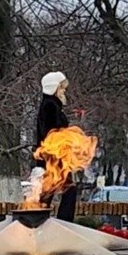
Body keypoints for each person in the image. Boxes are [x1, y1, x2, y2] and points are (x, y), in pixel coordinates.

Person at [36, 71, 77, 221]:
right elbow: (51, 133)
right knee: (65, 189)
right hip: (55, 156)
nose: (64, 91)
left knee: (50, 190)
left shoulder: (52, 105)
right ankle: (62, 221)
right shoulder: (50, 106)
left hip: (55, 156)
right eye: (61, 88)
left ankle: (38, 219)